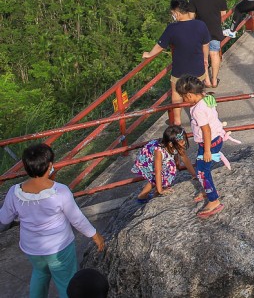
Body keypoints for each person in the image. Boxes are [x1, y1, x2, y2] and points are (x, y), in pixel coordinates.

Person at [0, 144, 106, 298]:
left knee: (40, 274)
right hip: (59, 249)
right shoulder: (60, 191)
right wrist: (95, 235)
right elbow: (77, 219)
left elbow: (4, 218)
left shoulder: (14, 192)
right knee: (67, 282)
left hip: (32, 249)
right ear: (49, 165)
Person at [141, 0, 210, 125]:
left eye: (173, 13)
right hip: (197, 67)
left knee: (176, 93)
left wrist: (149, 54)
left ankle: (177, 121)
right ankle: (203, 117)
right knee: (198, 92)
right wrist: (205, 59)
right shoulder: (200, 24)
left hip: (180, 69)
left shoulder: (172, 28)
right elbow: (206, 44)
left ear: (176, 12)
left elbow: (160, 46)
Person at [176, 76, 227, 218]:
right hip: (216, 138)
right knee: (201, 168)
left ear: (190, 95)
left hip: (208, 143)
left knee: (202, 172)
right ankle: (207, 189)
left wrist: (207, 151)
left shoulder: (198, 110)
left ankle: (213, 200)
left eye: (183, 97)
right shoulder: (206, 98)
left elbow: (206, 130)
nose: (183, 100)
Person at [131, 125, 196, 203]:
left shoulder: (176, 144)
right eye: (182, 141)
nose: (184, 142)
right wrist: (160, 190)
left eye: (184, 140)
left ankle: (156, 192)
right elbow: (157, 171)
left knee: (168, 170)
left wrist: (194, 175)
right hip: (148, 158)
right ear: (171, 144)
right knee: (156, 176)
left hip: (163, 157)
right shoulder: (159, 151)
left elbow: (185, 159)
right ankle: (142, 196)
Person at [189, 0, 230, 89]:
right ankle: (214, 80)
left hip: (200, 30)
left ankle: (206, 80)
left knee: (204, 57)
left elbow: (191, 17)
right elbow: (223, 13)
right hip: (215, 29)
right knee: (214, 53)